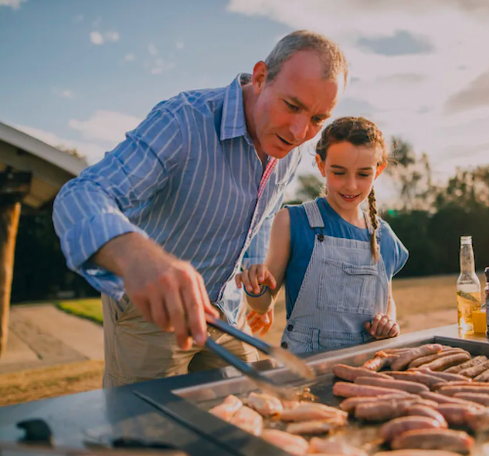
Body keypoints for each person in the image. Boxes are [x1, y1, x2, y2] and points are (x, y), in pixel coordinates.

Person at [51, 31, 348, 387]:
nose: (300, 131)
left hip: (227, 311)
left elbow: (265, 211)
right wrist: (137, 256)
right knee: (152, 435)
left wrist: (255, 267)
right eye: (292, 105)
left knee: (254, 410)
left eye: (318, 119)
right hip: (153, 316)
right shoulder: (182, 120)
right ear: (259, 77)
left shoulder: (292, 146)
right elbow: (81, 194)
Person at [235, 117, 409, 354]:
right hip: (307, 366)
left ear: (378, 170)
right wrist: (255, 289)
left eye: (363, 174)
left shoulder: (384, 236)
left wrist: (388, 321)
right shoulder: (291, 221)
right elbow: (264, 303)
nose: (350, 185)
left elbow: (387, 301)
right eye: (339, 173)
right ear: (320, 165)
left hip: (369, 367)